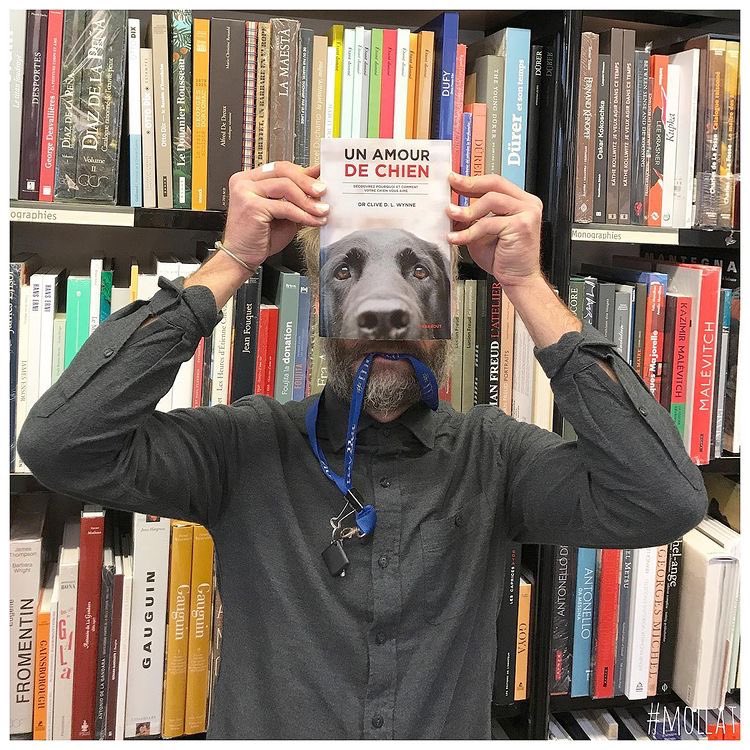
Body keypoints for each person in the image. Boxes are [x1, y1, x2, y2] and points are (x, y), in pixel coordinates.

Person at [18, 162, 708, 740]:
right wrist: (232, 260)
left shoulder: (493, 458)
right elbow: (62, 444)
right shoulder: (243, 448)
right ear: (318, 309)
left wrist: (526, 284)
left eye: (418, 276)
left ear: (449, 311)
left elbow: (665, 499)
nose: (385, 307)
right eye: (348, 275)